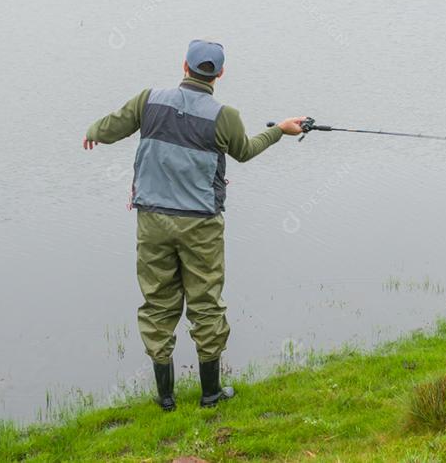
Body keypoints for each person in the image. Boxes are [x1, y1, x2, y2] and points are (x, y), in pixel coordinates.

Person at [82, 39, 305, 411]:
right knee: (205, 304)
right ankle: (210, 395)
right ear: (219, 73)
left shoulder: (147, 100)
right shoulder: (225, 116)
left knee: (157, 302)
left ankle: (166, 399)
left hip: (152, 220)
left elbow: (107, 128)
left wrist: (92, 132)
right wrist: (281, 129)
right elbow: (245, 151)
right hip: (201, 224)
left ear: (184, 66)